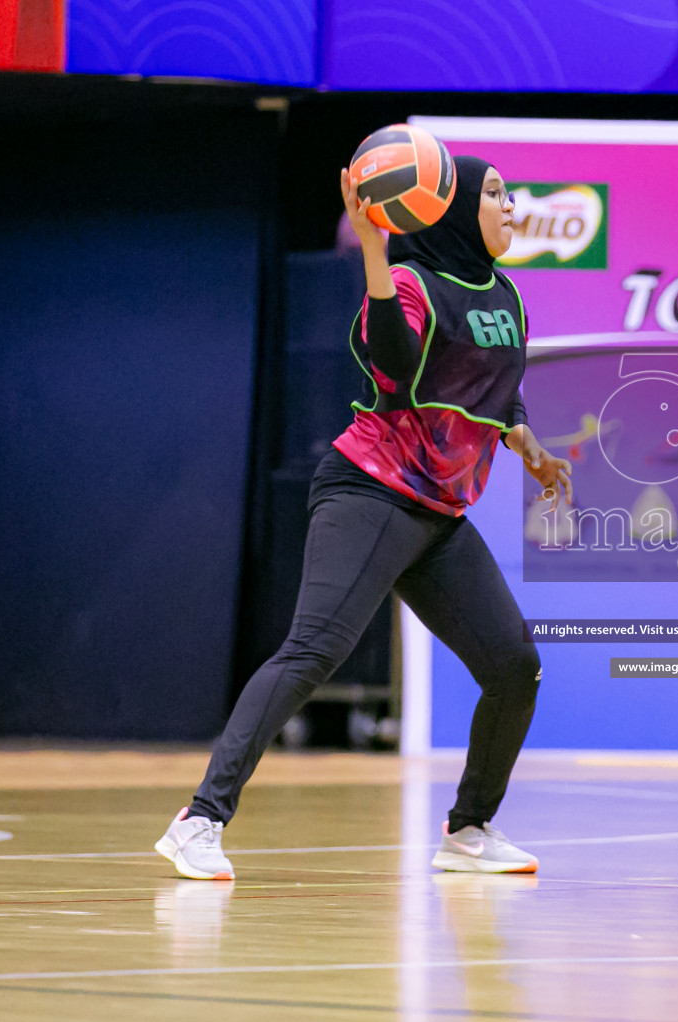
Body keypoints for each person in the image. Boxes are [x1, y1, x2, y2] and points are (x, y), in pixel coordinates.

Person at [156, 155, 572, 880]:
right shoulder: (410, 285)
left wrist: (527, 445)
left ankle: (469, 830)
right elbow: (395, 367)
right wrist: (374, 252)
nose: (513, 207)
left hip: (440, 513)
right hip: (372, 491)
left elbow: (498, 392)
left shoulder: (508, 296)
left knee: (515, 667)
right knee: (313, 650)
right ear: (453, 207)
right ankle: (199, 819)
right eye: (499, 195)